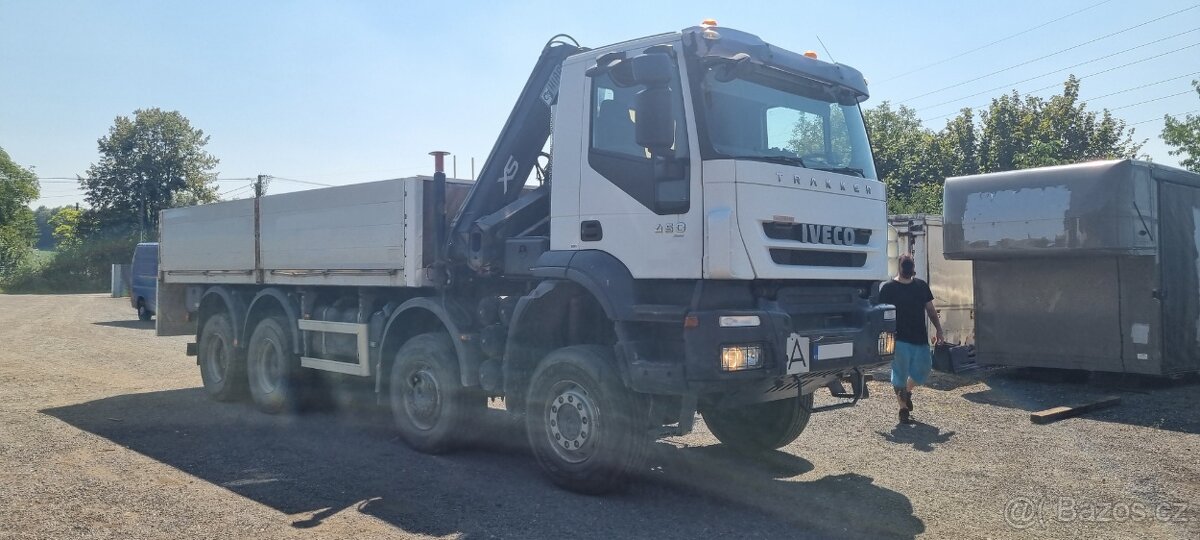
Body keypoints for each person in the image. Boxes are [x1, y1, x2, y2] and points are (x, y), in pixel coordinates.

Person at [878, 253, 944, 424]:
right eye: (905, 265)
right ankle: (903, 409)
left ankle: (907, 391)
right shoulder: (888, 288)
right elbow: (881, 314)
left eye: (910, 265)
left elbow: (930, 309)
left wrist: (939, 329)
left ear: (913, 267)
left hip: (920, 338)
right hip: (898, 339)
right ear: (899, 267)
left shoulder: (921, 286)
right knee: (899, 374)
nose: (908, 269)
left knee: (924, 369)